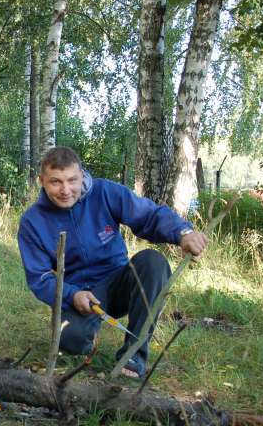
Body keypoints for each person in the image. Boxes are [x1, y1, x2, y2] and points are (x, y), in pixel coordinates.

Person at [17, 147, 208, 378]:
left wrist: (183, 233)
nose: (66, 190)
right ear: (42, 181)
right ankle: (86, 334)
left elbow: (148, 215)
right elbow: (40, 278)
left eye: (72, 180)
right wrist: (71, 295)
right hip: (80, 294)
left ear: (82, 174)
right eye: (56, 182)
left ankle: (134, 355)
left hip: (120, 281)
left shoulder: (105, 192)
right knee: (71, 341)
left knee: (154, 262)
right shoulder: (32, 221)